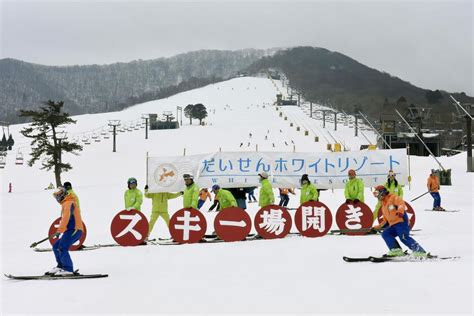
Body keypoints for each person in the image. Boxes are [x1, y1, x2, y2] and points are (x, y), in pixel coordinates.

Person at [371, 185, 427, 258]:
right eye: (374, 194)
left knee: (403, 237)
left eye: (377, 193)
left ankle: (419, 251)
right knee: (386, 234)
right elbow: (385, 221)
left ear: (382, 192)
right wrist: (376, 228)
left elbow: (401, 204)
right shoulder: (383, 205)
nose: (376, 196)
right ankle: (396, 250)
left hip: (401, 222)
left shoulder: (393, 197)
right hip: (393, 225)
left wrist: (400, 211)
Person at [46, 186, 84, 276]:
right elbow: (65, 219)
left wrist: (60, 230)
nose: (57, 198)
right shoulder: (66, 203)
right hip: (69, 230)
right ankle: (61, 266)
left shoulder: (68, 203)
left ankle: (68, 269)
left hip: (74, 229)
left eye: (57, 196)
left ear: (62, 195)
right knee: (56, 246)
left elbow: (66, 218)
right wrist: (61, 230)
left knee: (62, 247)